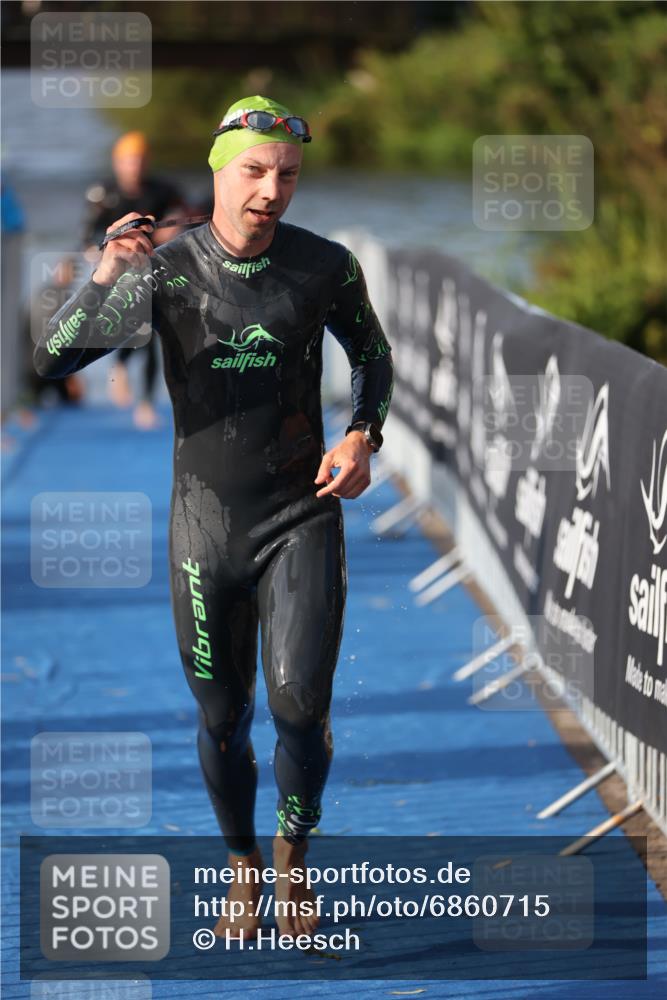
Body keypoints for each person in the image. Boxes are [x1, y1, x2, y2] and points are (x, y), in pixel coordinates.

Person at [33, 95, 393, 942]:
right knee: (223, 719)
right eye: (255, 171)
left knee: (298, 705)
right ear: (219, 172)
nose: (271, 190)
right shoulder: (165, 269)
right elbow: (52, 359)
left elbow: (371, 356)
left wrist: (361, 435)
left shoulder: (325, 266)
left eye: (287, 175)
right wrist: (106, 275)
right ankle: (241, 866)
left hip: (301, 513)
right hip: (203, 529)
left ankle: (292, 857)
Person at [81, 131, 186, 429]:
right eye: (128, 161)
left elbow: (182, 220)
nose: (134, 167)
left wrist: (172, 231)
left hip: (152, 266)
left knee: (151, 331)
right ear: (117, 163)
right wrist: (98, 254)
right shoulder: (103, 193)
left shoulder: (163, 190)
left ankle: (146, 402)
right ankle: (121, 366)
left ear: (147, 162)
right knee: (131, 324)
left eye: (139, 160)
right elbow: (88, 234)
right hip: (116, 268)